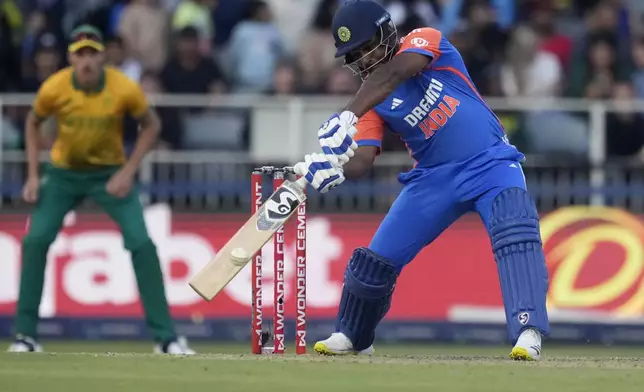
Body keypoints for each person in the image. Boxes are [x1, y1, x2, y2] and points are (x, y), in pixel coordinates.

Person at [293, 0, 550, 361]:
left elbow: (393, 74)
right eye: (357, 54)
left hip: (490, 163)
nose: (365, 59)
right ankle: (353, 336)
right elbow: (363, 159)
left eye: (368, 47)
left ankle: (528, 330)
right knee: (374, 263)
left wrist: (347, 112)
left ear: (387, 33)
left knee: (515, 230)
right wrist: (332, 166)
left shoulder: (424, 41)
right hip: (432, 180)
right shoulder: (371, 99)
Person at [8, 25, 195, 355]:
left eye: (92, 53)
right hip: (64, 173)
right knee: (35, 240)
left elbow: (151, 124)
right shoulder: (55, 87)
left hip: (109, 174)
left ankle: (166, 338)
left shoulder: (123, 87)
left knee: (141, 242)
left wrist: (128, 170)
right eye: (80, 55)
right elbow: (32, 122)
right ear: (70, 58)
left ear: (103, 55)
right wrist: (34, 175)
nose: (87, 62)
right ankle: (25, 336)